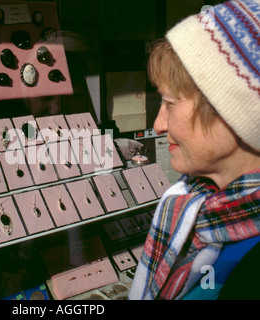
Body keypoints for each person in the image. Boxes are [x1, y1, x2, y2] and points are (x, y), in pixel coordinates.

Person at [129, 0, 260, 300]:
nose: (159, 125)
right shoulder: (197, 207)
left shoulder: (251, 272)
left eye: (170, 104)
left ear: (232, 113)